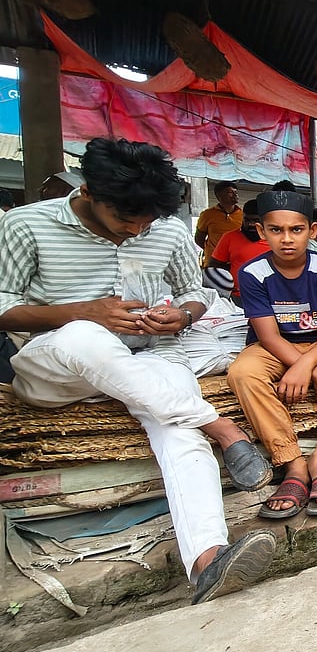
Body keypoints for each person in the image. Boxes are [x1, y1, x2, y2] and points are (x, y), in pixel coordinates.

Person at [0, 138, 275, 604]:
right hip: (58, 366)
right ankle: (219, 425)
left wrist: (183, 316)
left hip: (151, 357)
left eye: (147, 221)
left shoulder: (165, 231)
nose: (138, 229)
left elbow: (195, 290)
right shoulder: (26, 224)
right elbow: (3, 307)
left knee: (177, 428)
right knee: (85, 337)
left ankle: (209, 559)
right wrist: (81, 312)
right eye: (127, 220)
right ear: (89, 192)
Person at [226, 191, 317, 519]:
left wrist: (313, 363)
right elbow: (268, 335)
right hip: (274, 348)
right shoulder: (253, 273)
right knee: (242, 372)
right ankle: (293, 465)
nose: (287, 239)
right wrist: (314, 370)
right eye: (276, 230)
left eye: (296, 230)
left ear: (312, 230)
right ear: (261, 231)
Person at [209, 197, 270, 306]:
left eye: (255, 221)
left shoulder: (276, 238)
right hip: (238, 299)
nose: (251, 224)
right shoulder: (229, 237)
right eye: (247, 220)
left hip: (270, 296)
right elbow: (213, 266)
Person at [195, 180, 241, 268]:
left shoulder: (242, 215)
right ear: (219, 196)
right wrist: (212, 250)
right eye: (230, 192)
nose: (235, 195)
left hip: (235, 262)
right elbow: (199, 239)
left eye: (236, 192)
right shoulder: (207, 214)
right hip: (213, 262)